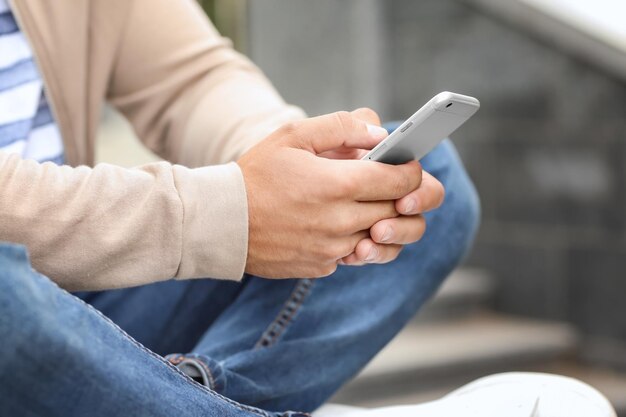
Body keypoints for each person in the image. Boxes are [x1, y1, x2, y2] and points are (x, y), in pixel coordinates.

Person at [0, 1, 614, 416]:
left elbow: (190, 82)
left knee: (422, 179)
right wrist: (219, 215)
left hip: (93, 304)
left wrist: (314, 174)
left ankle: (192, 398)